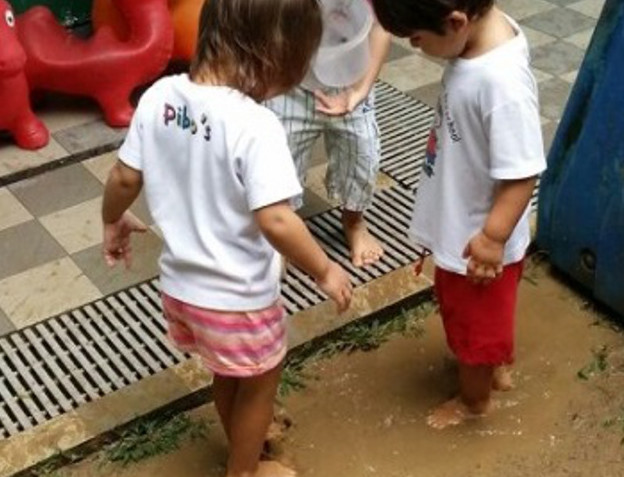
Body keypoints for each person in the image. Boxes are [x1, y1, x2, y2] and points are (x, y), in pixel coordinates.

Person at [101, 1, 352, 475]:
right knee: (261, 380)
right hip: (238, 299)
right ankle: (245, 469)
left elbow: (122, 177)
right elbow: (276, 220)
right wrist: (325, 268)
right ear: (274, 54)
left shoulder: (159, 96)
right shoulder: (256, 126)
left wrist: (113, 222)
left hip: (181, 292)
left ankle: (243, 443)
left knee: (227, 372)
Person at [371, 0, 546, 428]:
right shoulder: (482, 36)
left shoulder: (500, 83)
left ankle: (474, 402)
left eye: (416, 38)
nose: (414, 47)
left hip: (478, 241)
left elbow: (522, 173)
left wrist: (491, 239)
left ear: (455, 22)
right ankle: (495, 370)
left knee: (472, 330)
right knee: (486, 320)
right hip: (469, 217)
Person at [266, 0, 391, 268]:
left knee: (361, 156)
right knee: (278, 160)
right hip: (290, 84)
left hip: (351, 82)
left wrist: (359, 91)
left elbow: (382, 26)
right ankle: (282, 230)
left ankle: (354, 221)